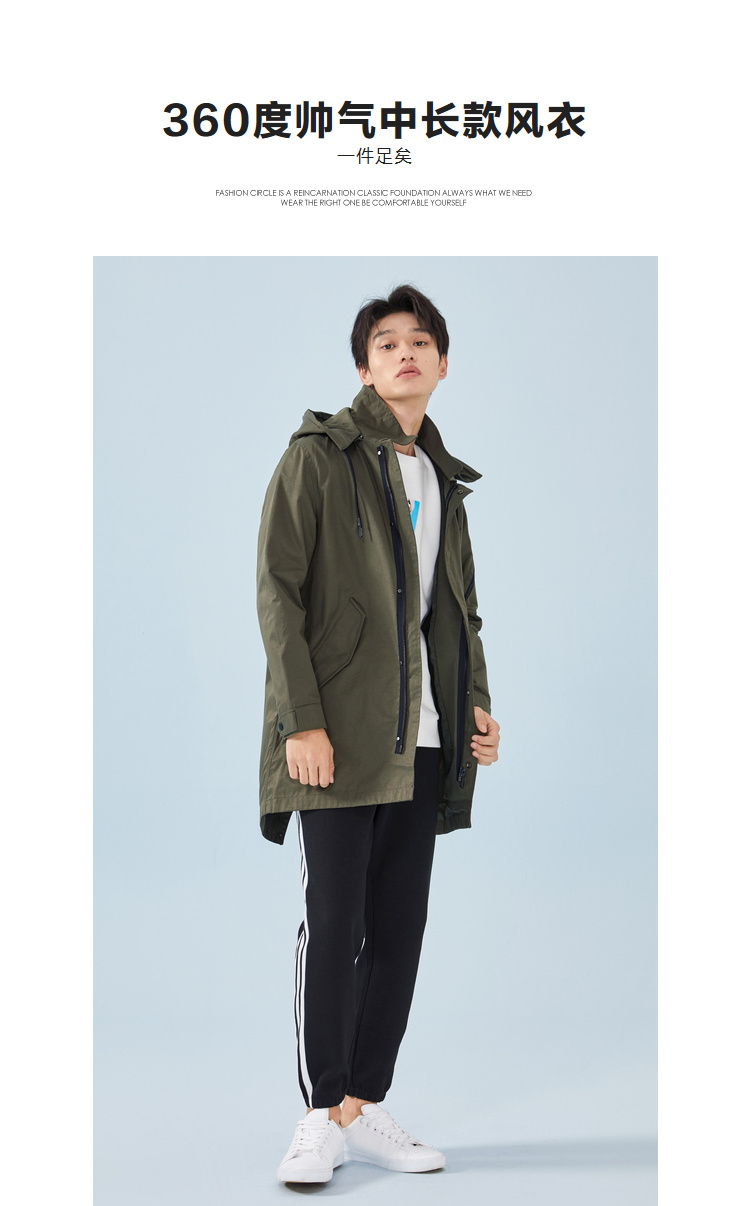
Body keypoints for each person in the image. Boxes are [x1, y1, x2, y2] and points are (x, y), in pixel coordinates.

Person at [256, 285, 500, 1184]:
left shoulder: (444, 482)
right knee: (336, 919)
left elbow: (457, 613)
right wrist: (303, 720)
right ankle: (320, 1112)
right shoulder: (318, 457)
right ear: (364, 368)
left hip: (422, 739)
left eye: (420, 341)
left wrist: (475, 704)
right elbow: (278, 592)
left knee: (398, 928)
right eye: (387, 343)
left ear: (442, 364)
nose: (405, 353)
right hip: (337, 735)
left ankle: (364, 1104)